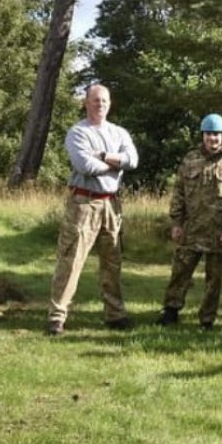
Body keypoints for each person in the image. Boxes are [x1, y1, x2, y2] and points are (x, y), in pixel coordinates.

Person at [46, 84, 139, 335]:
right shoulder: (78, 132)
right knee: (71, 259)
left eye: (105, 100)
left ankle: (115, 315)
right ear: (86, 102)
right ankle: (57, 317)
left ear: (110, 104)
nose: (100, 104)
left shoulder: (119, 132)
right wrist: (115, 163)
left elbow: (133, 160)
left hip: (112, 203)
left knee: (112, 261)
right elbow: (84, 165)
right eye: (96, 100)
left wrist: (103, 155)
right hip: (83, 203)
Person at [157, 113, 222, 329]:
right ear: (203, 135)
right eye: (209, 134)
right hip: (190, 229)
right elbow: (179, 192)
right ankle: (171, 310)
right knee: (180, 272)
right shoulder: (190, 159)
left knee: (213, 279)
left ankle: (207, 319)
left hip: (219, 232)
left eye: (217, 135)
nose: (213, 139)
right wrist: (177, 223)